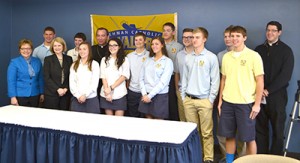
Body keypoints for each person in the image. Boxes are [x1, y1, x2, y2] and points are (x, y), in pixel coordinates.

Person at [217, 26, 264, 163]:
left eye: (238, 36)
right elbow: (223, 79)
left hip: (246, 104)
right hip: (228, 103)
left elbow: (260, 80)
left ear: (244, 37)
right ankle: (230, 161)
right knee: (229, 136)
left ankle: (251, 161)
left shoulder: (253, 56)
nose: (234, 39)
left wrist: (256, 104)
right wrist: (220, 101)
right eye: (232, 36)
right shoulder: (226, 57)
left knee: (249, 138)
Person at [255, 21, 294, 155]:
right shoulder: (258, 49)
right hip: (259, 97)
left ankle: (276, 158)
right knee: (260, 130)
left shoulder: (286, 51)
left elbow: (285, 76)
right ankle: (262, 157)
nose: (270, 33)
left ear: (279, 33)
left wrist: (268, 90)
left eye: (273, 30)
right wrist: (260, 91)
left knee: (277, 130)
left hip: (277, 97)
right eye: (268, 30)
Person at [181, 27, 220, 163]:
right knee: (192, 133)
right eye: (192, 37)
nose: (194, 40)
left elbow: (215, 80)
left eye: (197, 37)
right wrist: (183, 97)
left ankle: (208, 158)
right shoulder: (187, 58)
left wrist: (210, 100)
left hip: (204, 101)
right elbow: (184, 79)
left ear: (204, 39)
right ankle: (195, 156)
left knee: (207, 133)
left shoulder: (211, 57)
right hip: (189, 100)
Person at [216, 25, 246, 163]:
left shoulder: (248, 55)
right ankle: (226, 157)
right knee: (225, 133)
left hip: (242, 100)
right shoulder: (222, 56)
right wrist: (220, 99)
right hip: (226, 99)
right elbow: (221, 78)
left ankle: (242, 158)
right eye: (226, 36)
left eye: (232, 36)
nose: (229, 39)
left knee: (242, 134)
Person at [138, 36, 173, 119]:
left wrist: (150, 96)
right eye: (152, 44)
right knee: (148, 123)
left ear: (162, 45)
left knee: (159, 124)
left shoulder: (167, 62)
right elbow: (141, 79)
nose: (154, 46)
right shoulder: (147, 60)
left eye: (157, 44)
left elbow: (163, 82)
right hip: (146, 94)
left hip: (159, 96)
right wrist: (144, 94)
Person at [7, 39, 44, 107]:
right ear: (19, 50)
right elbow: (11, 81)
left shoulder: (37, 61)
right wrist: (12, 97)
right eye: (23, 49)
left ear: (31, 50)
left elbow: (40, 79)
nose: (26, 51)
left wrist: (42, 93)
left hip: (35, 94)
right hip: (20, 95)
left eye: (28, 48)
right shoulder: (14, 62)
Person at [100, 38, 130, 116]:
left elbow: (124, 76)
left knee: (118, 123)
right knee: (109, 122)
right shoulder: (104, 59)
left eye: (115, 45)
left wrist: (111, 88)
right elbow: (103, 76)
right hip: (106, 94)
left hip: (119, 94)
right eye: (110, 45)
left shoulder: (124, 60)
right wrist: (107, 91)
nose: (112, 47)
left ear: (119, 47)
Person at [69, 42, 100, 113]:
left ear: (89, 50)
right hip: (77, 99)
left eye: (84, 49)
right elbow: (72, 82)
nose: (82, 51)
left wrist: (85, 95)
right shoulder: (74, 65)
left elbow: (94, 83)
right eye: (80, 49)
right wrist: (78, 95)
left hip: (91, 99)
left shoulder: (94, 64)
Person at [43, 37, 73, 110]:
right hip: (52, 94)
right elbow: (46, 77)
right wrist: (58, 89)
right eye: (55, 46)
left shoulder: (69, 59)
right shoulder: (48, 59)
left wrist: (66, 88)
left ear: (63, 46)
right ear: (52, 47)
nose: (57, 48)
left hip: (65, 94)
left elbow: (71, 76)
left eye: (59, 45)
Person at [162, 22, 183, 121]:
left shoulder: (178, 47)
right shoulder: (158, 44)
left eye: (168, 30)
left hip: (172, 78)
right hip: (159, 79)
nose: (165, 33)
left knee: (172, 105)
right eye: (164, 30)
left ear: (173, 32)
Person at [126, 32, 149, 117]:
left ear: (145, 41)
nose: (138, 42)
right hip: (132, 91)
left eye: (140, 40)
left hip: (146, 91)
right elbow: (127, 74)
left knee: (145, 116)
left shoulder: (150, 55)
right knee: (133, 115)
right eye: (136, 40)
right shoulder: (129, 56)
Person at [174, 28, 194, 122]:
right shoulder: (179, 55)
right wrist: (177, 90)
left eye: (190, 37)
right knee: (183, 121)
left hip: (195, 95)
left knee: (194, 124)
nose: (186, 39)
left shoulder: (199, 54)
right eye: (184, 37)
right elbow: (177, 73)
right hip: (182, 93)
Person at [91, 27, 109, 113]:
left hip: (108, 82)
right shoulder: (91, 49)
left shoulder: (112, 48)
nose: (100, 38)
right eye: (98, 35)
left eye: (103, 35)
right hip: (95, 82)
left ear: (107, 37)